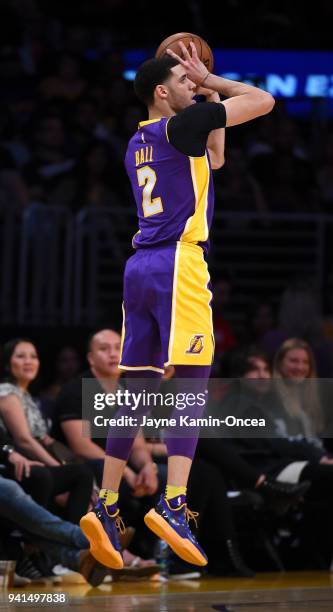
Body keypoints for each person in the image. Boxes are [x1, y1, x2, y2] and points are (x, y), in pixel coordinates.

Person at [80, 42, 275, 570]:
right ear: (162, 91)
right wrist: (218, 84)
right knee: (193, 377)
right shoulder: (175, 127)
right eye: (184, 80)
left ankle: (107, 502)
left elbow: (215, 156)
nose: (194, 83)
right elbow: (263, 101)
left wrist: (203, 87)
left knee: (137, 385)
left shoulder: (137, 141)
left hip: (139, 267)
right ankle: (174, 501)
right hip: (178, 264)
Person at [0, 338, 94, 524]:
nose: (29, 361)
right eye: (20, 356)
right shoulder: (6, 393)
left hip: (37, 459)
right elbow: (24, 440)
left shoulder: (27, 396)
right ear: (8, 363)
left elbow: (44, 439)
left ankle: (91, 539)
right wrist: (57, 467)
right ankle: (76, 540)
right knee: (77, 475)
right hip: (18, 463)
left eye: (33, 356)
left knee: (85, 474)